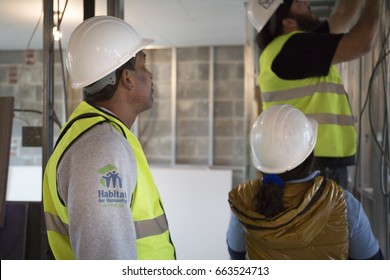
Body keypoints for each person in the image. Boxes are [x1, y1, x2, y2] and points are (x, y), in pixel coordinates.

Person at [42, 16, 176, 260]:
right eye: (143, 67)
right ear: (127, 79)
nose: (150, 75)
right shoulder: (100, 148)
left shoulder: (100, 134)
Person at [246, 0, 381, 189]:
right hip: (315, 165)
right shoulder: (294, 49)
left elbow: (342, 16)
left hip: (310, 161)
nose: (306, 3)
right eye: (298, 3)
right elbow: (363, 43)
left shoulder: (286, 49)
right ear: (288, 22)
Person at [227, 104, 383, 259]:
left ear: (259, 161)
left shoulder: (245, 203)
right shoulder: (343, 203)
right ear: (309, 156)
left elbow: (236, 255)